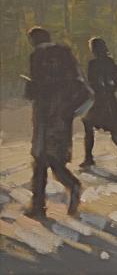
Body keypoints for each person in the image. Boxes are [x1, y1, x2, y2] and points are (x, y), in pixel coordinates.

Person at [24, 27, 92, 219]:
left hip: (45, 114)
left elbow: (36, 88)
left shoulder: (37, 56)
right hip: (63, 116)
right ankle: (72, 186)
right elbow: (79, 82)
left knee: (40, 161)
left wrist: (30, 88)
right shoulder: (65, 54)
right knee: (55, 159)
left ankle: (38, 206)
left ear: (34, 40)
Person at [80, 37, 117, 171]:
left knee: (89, 125)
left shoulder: (93, 64)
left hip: (99, 101)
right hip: (109, 99)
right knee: (114, 131)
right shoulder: (110, 62)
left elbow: (91, 82)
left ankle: (89, 158)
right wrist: (111, 89)